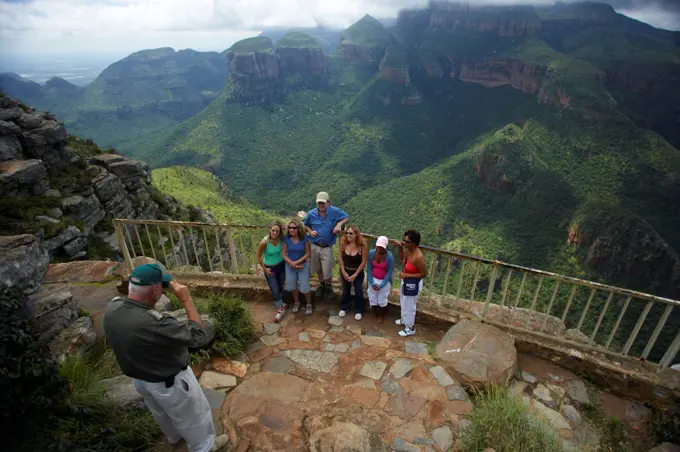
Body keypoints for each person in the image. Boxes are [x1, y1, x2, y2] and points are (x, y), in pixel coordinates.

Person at [103, 264, 229, 452]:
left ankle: (174, 437)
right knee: (195, 418)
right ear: (155, 289)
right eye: (162, 287)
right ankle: (204, 447)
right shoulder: (154, 323)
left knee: (160, 413)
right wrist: (186, 299)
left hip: (141, 381)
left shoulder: (112, 308)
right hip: (170, 383)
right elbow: (199, 337)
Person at [304, 191, 349, 301]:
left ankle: (329, 286)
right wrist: (310, 231)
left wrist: (339, 224)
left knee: (327, 268)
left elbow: (346, 216)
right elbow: (306, 225)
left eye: (323, 203)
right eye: (319, 203)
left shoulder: (334, 211)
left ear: (328, 202)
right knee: (318, 267)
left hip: (327, 246)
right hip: (314, 245)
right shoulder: (311, 214)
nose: (321, 205)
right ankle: (322, 284)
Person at [392, 230, 427, 337]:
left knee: (410, 306)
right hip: (406, 280)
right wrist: (400, 247)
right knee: (403, 301)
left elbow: (424, 274)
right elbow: (403, 259)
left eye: (406, 242)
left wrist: (407, 275)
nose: (404, 243)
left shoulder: (419, 257)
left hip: (413, 283)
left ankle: (410, 328)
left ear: (414, 243)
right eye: (403, 241)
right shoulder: (408, 251)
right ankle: (404, 320)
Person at [256, 220, 287, 323]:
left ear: (280, 232)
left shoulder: (281, 240)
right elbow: (258, 256)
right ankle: (280, 309)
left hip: (281, 265)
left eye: (277, 231)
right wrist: (265, 268)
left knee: (281, 286)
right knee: (274, 288)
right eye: (273, 230)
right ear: (270, 230)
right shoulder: (265, 242)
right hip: (270, 268)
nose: (274, 233)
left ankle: (280, 302)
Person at [282, 217, 312, 315]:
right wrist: (291, 263)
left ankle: (309, 304)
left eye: (294, 228)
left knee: (305, 288)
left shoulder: (305, 238)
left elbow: (307, 253)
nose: (291, 230)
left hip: (302, 265)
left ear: (299, 228)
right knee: (292, 286)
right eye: (290, 228)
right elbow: (284, 254)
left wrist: (297, 263)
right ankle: (296, 302)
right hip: (290, 265)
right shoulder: (286, 239)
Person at [338, 224, 368, 320]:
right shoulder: (343, 242)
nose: (348, 235)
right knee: (345, 290)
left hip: (357, 272)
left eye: (350, 233)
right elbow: (340, 257)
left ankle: (359, 310)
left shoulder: (362, 246)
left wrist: (355, 275)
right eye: (346, 233)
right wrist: (343, 271)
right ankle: (344, 307)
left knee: (358, 291)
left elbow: (363, 262)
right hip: (345, 270)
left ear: (356, 234)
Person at [367, 236, 394, 324]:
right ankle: (376, 314)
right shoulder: (372, 253)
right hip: (373, 280)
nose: (378, 248)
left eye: (381, 247)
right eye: (377, 246)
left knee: (382, 300)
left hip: (384, 281)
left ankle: (381, 315)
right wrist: (371, 282)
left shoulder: (389, 257)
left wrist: (381, 285)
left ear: (385, 247)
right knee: (372, 299)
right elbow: (369, 268)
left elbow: (389, 272)